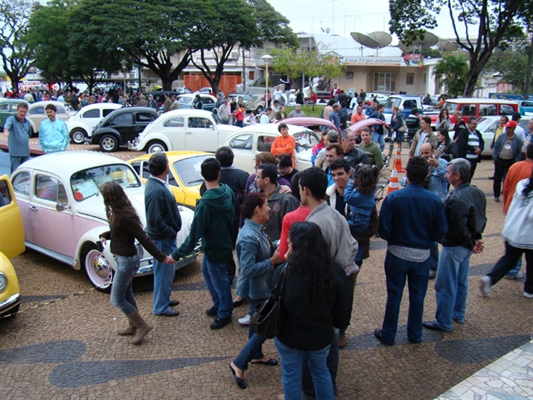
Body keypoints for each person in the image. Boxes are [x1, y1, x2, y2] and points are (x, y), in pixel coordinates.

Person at [274, 222, 352, 400]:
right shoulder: (334, 271)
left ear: (294, 245)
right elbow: (343, 308)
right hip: (320, 337)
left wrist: (286, 260)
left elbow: (275, 300)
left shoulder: (283, 272)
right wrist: (338, 327)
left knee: (291, 375)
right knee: (321, 372)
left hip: (288, 337)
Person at [375, 157, 447, 345]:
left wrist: (394, 238)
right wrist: (426, 239)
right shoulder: (434, 201)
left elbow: (383, 230)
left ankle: (388, 334)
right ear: (426, 175)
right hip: (422, 254)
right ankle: (414, 334)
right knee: (418, 296)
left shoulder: (393, 198)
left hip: (397, 253)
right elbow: (441, 231)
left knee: (394, 295)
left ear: (406, 174)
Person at [99, 182, 174, 345]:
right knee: (126, 294)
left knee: (117, 298)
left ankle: (141, 325)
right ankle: (133, 325)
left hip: (127, 262)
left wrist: (161, 257)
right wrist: (106, 234)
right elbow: (119, 233)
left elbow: (144, 238)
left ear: (110, 198)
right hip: (123, 260)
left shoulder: (125, 216)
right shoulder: (119, 213)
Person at [422, 158, 487, 333]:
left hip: (454, 246)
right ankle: (458, 313)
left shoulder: (456, 198)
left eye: (449, 172)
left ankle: (443, 320)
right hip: (466, 245)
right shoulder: (477, 192)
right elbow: (480, 218)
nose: (446, 174)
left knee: (445, 284)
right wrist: (475, 240)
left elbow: (459, 227)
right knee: (460, 281)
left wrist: (471, 242)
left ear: (457, 175)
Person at [171, 158, 235, 330]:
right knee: (208, 273)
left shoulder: (205, 205)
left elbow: (194, 235)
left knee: (220, 282)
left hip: (215, 248)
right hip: (224, 245)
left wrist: (176, 255)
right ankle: (219, 304)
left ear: (201, 175)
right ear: (219, 173)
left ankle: (225, 313)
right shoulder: (227, 192)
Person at [230, 193, 280, 390]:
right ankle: (239, 363)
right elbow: (248, 269)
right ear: (257, 210)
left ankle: (256, 355)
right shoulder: (249, 236)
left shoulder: (255, 229)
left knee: (255, 319)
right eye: (266, 205)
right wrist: (273, 261)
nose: (269, 208)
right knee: (265, 326)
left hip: (260, 287)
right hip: (256, 289)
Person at [480, 169, 533, 299]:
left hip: (512, 228)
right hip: (528, 233)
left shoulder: (522, 183)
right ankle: (529, 289)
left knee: (509, 258)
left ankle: (490, 278)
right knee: (531, 262)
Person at [144, 153, 182, 317]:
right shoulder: (155, 189)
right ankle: (160, 306)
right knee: (163, 272)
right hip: (162, 239)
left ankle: (163, 300)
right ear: (166, 167)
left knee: (166, 272)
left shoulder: (156, 185)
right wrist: (171, 231)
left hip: (163, 237)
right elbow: (155, 219)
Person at [501, 143, 533, 279]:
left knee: (513, 243)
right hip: (526, 213)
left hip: (512, 207)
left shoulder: (514, 166)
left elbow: (506, 187)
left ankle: (513, 269)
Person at [255, 163, 299, 242]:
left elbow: (292, 228)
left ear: (266, 180)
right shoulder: (256, 195)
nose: (255, 179)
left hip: (277, 248)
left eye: (258, 177)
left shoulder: (287, 199)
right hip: (260, 244)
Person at [492, 120, 523, 202]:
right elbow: (496, 147)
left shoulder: (517, 140)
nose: (506, 129)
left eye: (508, 128)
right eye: (506, 127)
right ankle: (496, 194)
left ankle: (507, 194)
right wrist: (495, 157)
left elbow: (519, 151)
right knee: (497, 178)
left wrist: (516, 160)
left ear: (513, 128)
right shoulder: (502, 136)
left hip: (511, 161)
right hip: (500, 159)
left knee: (508, 179)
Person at [4, 102, 31, 173]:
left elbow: (29, 134)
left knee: (25, 172)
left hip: (25, 152)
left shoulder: (27, 122)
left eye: (24, 112)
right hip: (15, 152)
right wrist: (6, 130)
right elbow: (7, 125)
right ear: (17, 111)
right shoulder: (11, 119)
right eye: (21, 111)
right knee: (15, 172)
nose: (22, 113)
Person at [456, 117, 484, 181]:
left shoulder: (478, 133)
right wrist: (473, 150)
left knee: (470, 174)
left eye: (476, 124)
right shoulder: (463, 132)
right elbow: (462, 144)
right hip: (465, 158)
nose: (475, 125)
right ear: (468, 124)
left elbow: (482, 142)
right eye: (473, 124)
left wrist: (480, 149)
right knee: (463, 175)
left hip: (474, 159)